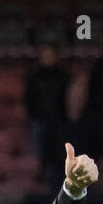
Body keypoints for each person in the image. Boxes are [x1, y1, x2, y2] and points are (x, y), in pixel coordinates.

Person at [25, 42, 69, 190]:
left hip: (59, 122)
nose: (47, 58)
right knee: (41, 153)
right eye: (45, 54)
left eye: (50, 54)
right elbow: (29, 98)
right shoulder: (34, 76)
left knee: (59, 155)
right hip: (40, 121)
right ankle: (43, 176)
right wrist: (35, 116)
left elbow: (67, 99)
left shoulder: (63, 76)